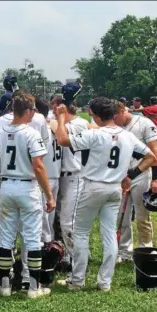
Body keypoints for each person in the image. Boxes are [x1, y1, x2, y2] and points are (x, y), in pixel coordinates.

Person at [56, 97, 156, 291]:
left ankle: (77, 280)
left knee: (81, 233)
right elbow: (151, 156)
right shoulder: (126, 135)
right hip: (114, 188)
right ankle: (104, 282)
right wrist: (131, 175)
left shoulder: (95, 134)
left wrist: (60, 118)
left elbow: (62, 139)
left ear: (97, 115)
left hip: (93, 186)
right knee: (109, 234)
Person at [0, 92, 55, 298]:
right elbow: (38, 166)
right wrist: (49, 195)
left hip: (7, 186)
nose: (34, 113)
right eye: (33, 110)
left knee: (6, 238)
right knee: (32, 238)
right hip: (27, 187)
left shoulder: (1, 131)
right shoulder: (31, 133)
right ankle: (34, 288)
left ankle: (5, 286)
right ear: (27, 111)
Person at [113, 100, 157, 262]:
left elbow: (154, 151)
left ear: (122, 111)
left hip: (141, 173)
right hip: (121, 176)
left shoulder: (144, 123)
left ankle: (146, 249)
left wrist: (155, 178)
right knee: (122, 216)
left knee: (142, 215)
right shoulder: (114, 126)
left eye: (115, 116)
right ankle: (124, 252)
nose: (113, 120)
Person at [51, 94, 89, 272]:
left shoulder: (79, 123)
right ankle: (73, 256)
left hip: (75, 174)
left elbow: (61, 136)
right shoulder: (57, 121)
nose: (53, 110)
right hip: (61, 177)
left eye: (55, 106)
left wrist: (59, 119)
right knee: (62, 220)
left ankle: (78, 262)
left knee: (69, 222)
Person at [35, 97, 62, 243]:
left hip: (45, 176)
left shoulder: (42, 128)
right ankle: (49, 244)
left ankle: (45, 247)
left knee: (42, 218)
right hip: (55, 174)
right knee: (48, 218)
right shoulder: (55, 125)